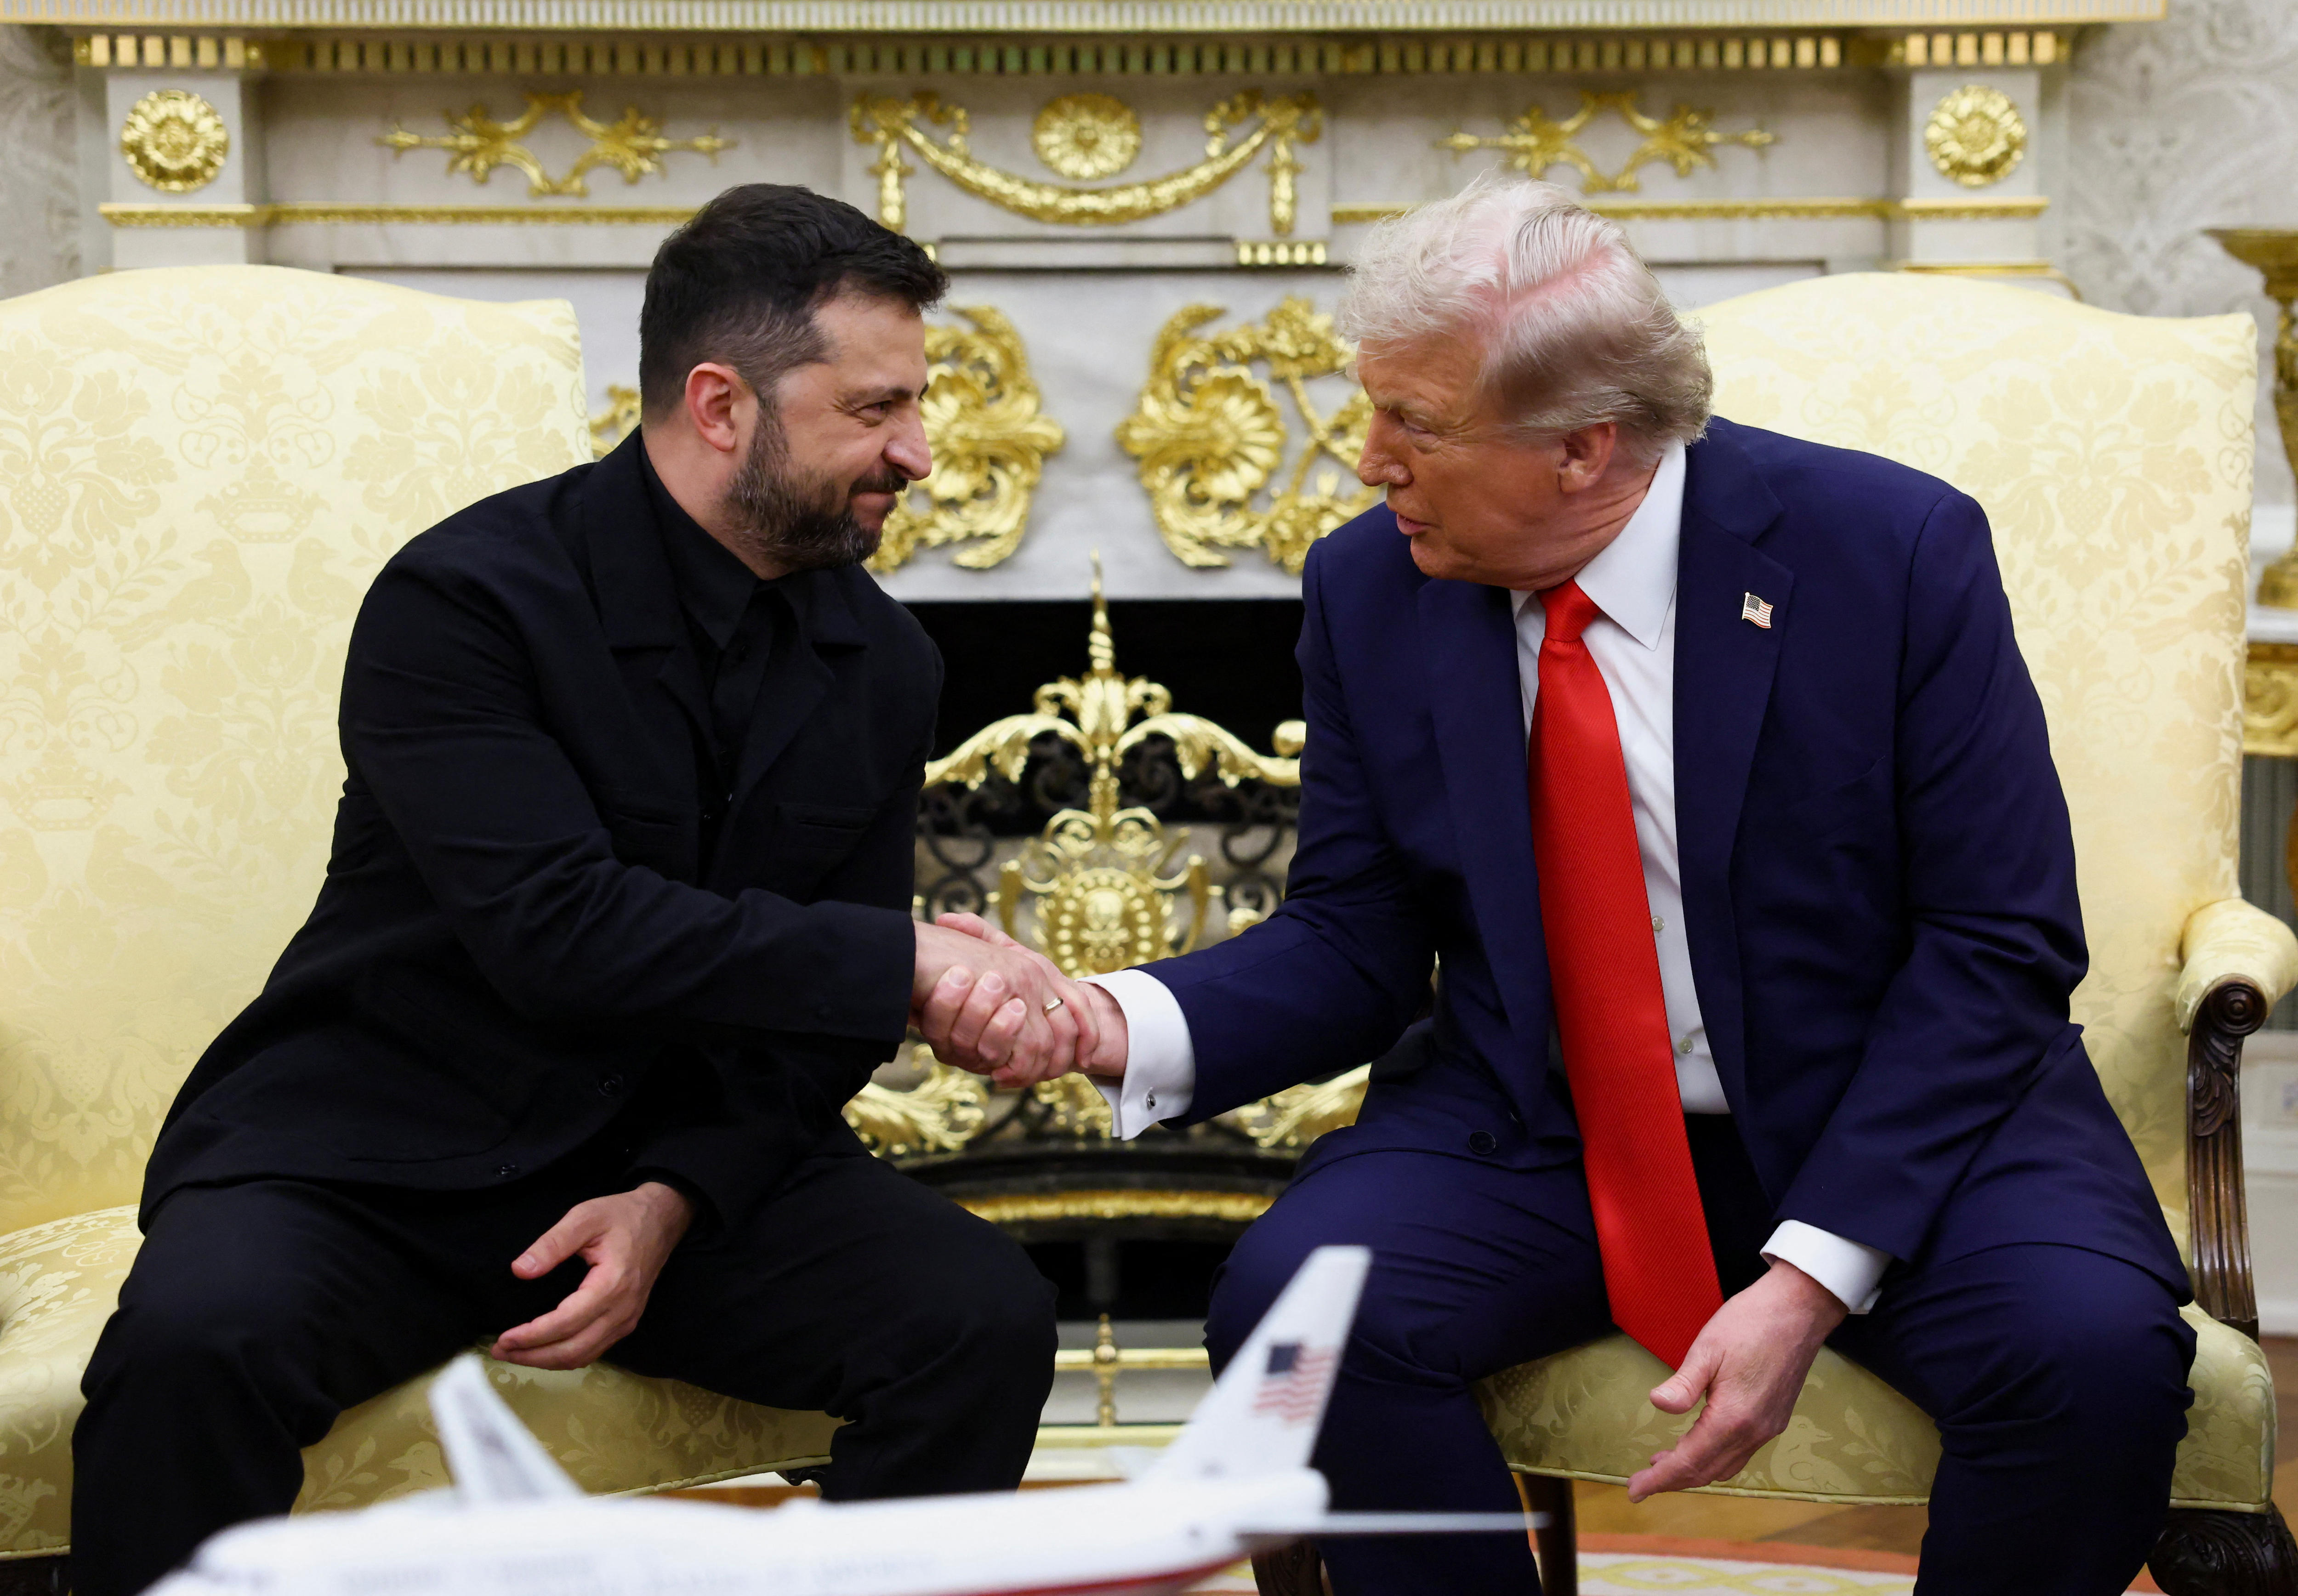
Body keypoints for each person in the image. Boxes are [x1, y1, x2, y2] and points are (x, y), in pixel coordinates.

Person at [926, 173, 2196, 1596]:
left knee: (2092, 1359)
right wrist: (1104, 1017)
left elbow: (1995, 940)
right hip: (1542, 1120)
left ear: (1585, 447)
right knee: (1308, 1313)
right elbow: (1356, 937)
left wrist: (1808, 1274)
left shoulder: (1889, 553)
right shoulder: (1372, 588)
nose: (1367, 459)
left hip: (1905, 1108)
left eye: (1415, 422)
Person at [74, 183, 1097, 1596]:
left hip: (664, 1161)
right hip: (375, 1154)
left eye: (913, 404)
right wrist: (908, 959)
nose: (917, 452)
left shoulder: (886, 659)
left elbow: (809, 1032)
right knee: (197, 1343)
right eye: (874, 410)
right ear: (721, 404)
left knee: (974, 1316)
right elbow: (557, 926)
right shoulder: (466, 600)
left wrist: (678, 1193)